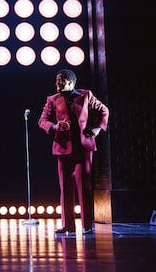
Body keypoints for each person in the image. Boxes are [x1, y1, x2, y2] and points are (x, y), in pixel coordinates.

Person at [38, 68, 109, 235]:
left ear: (70, 82)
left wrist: (98, 129)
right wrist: (54, 126)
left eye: (60, 80)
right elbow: (42, 120)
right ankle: (68, 225)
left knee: (83, 185)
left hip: (82, 148)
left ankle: (86, 225)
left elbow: (104, 110)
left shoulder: (85, 95)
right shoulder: (53, 99)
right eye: (56, 80)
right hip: (62, 148)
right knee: (65, 187)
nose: (57, 83)